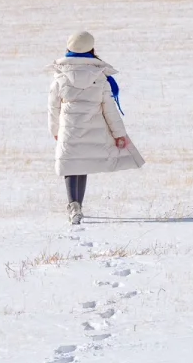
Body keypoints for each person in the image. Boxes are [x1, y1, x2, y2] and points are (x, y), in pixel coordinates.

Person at [50, 30, 145, 225]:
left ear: (68, 48)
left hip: (68, 129)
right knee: (82, 164)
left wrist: (54, 130)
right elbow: (109, 109)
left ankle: (74, 206)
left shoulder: (60, 76)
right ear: (92, 49)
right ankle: (78, 206)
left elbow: (53, 107)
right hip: (94, 127)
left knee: (71, 164)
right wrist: (119, 134)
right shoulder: (100, 77)